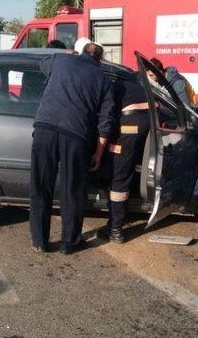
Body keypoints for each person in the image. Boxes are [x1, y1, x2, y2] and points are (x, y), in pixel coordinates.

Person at [29, 42, 115, 254]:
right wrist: (98, 151)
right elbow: (106, 120)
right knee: (72, 189)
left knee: (41, 185)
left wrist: (64, 54)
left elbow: (43, 64)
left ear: (81, 52)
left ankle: (40, 241)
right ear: (100, 60)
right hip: (75, 135)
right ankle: (70, 242)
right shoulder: (103, 79)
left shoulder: (61, 60)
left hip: (44, 128)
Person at [100, 73, 151, 243]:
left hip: (128, 127)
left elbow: (107, 116)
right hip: (145, 125)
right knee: (129, 168)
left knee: (118, 176)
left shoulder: (113, 85)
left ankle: (116, 229)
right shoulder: (138, 85)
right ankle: (120, 216)